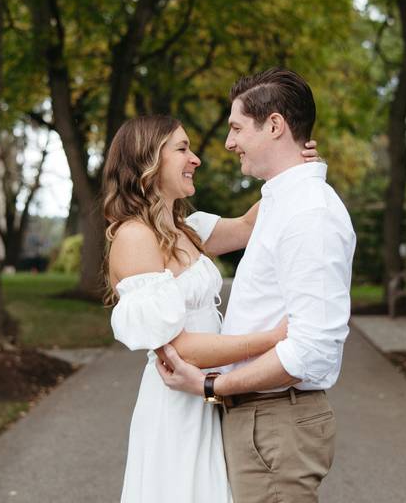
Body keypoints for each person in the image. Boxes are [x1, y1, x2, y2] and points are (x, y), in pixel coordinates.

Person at [156, 67, 357, 503]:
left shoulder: (308, 214)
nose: (228, 143)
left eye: (236, 127)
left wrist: (211, 387)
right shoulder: (281, 201)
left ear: (274, 125)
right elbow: (245, 222)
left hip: (274, 419)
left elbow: (311, 349)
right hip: (257, 420)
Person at [103, 114, 319, 503]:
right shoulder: (135, 237)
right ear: (148, 161)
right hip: (178, 406)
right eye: (183, 149)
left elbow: (253, 223)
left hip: (211, 395)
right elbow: (178, 348)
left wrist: (292, 168)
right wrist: (270, 340)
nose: (196, 159)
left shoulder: (188, 229)